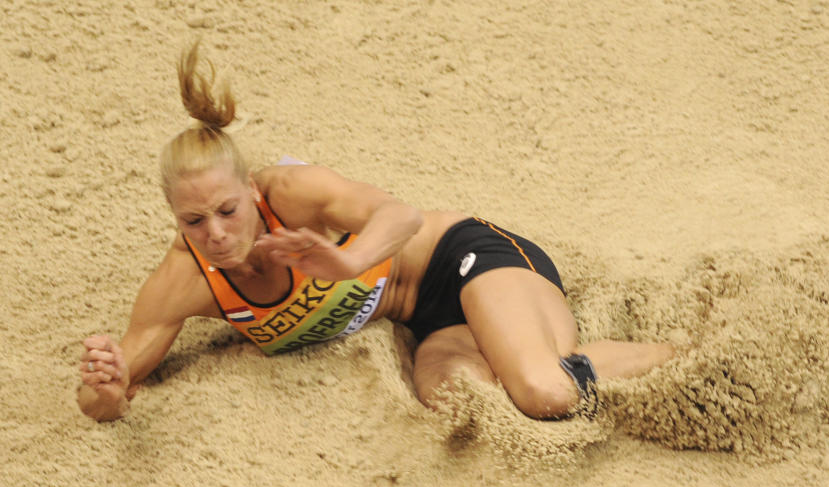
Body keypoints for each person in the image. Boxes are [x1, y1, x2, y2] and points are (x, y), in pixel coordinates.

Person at [77, 43, 675, 423]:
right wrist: (105, 391)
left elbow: (403, 217)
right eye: (193, 221)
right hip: (431, 324)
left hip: (463, 258)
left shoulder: (291, 192)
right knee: (460, 405)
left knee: (544, 394)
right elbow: (114, 385)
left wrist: (348, 259)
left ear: (252, 193)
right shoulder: (184, 280)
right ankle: (535, 353)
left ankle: (698, 362)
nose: (215, 232)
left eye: (228, 210)